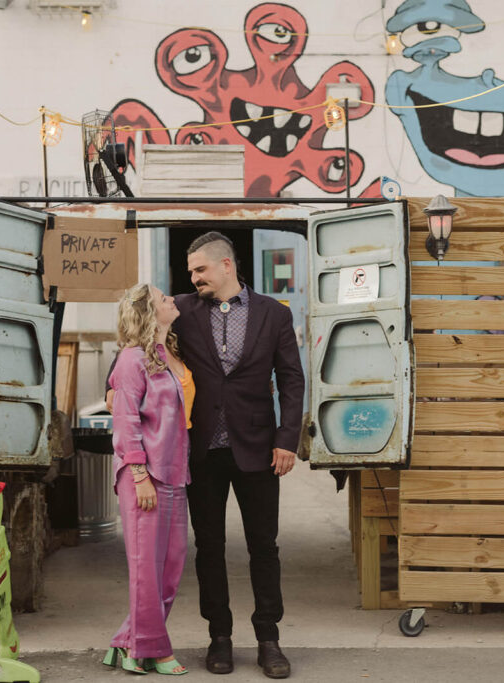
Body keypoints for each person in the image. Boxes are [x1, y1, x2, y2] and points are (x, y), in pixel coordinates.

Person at [177, 232, 303, 679]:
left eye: (200, 270)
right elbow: (140, 338)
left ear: (226, 265)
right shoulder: (181, 311)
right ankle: (220, 637)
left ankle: (268, 638)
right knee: (209, 547)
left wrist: (287, 439)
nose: (193, 279)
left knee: (263, 547)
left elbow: (291, 380)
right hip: (201, 451)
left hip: (259, 450)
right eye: (191, 272)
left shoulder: (273, 314)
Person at [103, 283, 194, 677]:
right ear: (147, 312)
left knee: (170, 568)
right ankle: (154, 650)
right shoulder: (131, 360)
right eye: (163, 298)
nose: (171, 299)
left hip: (174, 472)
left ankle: (127, 642)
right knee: (146, 570)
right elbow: (125, 422)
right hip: (145, 476)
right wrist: (139, 474)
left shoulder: (164, 353)